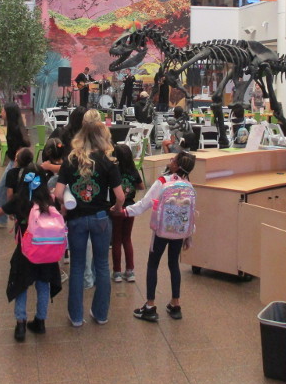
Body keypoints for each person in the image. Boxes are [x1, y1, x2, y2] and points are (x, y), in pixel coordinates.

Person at [0, 165, 62, 342]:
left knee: (21, 285)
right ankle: (40, 321)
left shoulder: (19, 200)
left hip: (26, 252)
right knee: (43, 285)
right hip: (47, 252)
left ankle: (20, 324)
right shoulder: (50, 200)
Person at [55, 121, 124, 327]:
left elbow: (58, 193)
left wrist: (65, 205)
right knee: (102, 265)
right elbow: (120, 196)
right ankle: (100, 314)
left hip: (76, 218)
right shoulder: (108, 161)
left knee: (77, 266)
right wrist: (116, 208)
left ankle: (76, 316)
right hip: (101, 217)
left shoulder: (70, 160)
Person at [119, 150, 196, 322]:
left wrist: (125, 212)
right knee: (173, 264)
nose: (171, 159)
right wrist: (189, 234)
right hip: (179, 231)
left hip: (161, 230)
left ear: (176, 165)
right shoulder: (188, 185)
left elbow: (144, 204)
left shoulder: (163, 181)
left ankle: (150, 306)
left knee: (153, 264)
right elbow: (191, 212)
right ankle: (175, 303)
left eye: (174, 159)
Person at [0, 103, 31, 226]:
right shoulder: (14, 127)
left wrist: (15, 165)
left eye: (3, 111)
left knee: (2, 190)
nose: (1, 113)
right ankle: (2, 218)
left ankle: (2, 218)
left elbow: (22, 147)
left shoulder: (15, 130)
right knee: (5, 190)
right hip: (15, 162)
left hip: (16, 163)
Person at [111, 144, 144, 283]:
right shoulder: (133, 170)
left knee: (116, 239)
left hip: (116, 207)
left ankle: (117, 272)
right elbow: (141, 186)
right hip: (130, 208)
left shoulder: (114, 170)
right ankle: (130, 270)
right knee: (127, 239)